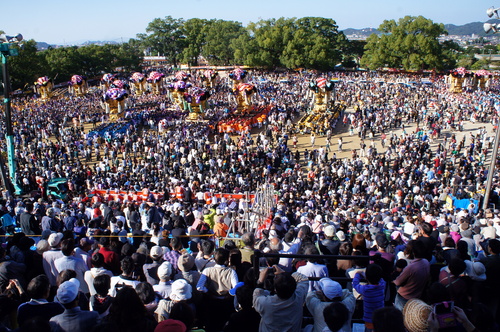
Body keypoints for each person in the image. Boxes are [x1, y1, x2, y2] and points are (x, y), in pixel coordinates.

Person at [253, 265, 308, 332]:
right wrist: (284, 273)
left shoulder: (266, 303)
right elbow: (303, 279)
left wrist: (260, 281)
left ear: (275, 289)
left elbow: (256, 297)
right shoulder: (299, 297)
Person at [393, 239, 431, 311]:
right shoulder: (426, 262)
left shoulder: (411, 267)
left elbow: (397, 282)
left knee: (401, 317)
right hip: (417, 296)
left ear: (413, 252)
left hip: (404, 297)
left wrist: (393, 280)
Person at [352, 264, 386, 332]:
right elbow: (381, 279)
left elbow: (355, 284)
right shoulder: (382, 285)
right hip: (380, 316)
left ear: (367, 277)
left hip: (369, 319)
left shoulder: (365, 289)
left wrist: (357, 275)